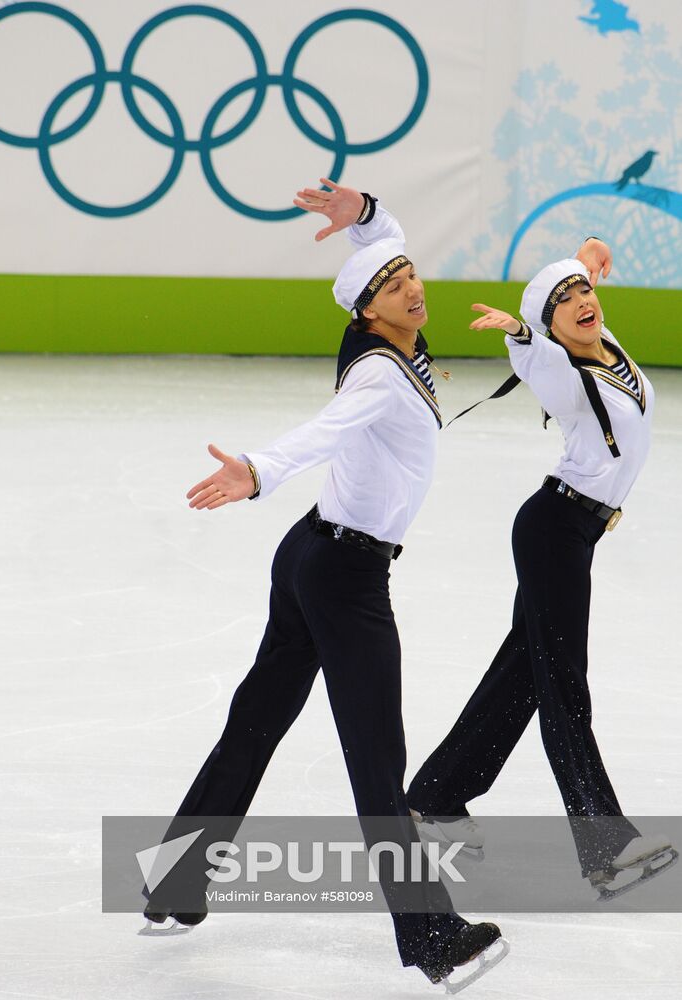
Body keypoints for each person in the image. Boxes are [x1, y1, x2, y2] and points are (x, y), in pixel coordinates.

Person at [142, 179, 509, 988]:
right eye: (390, 286)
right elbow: (325, 430)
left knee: (256, 720)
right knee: (377, 763)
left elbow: (389, 246)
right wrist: (259, 469)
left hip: (311, 552)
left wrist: (369, 220)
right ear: (366, 312)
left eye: (409, 275)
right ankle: (430, 935)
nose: (411, 289)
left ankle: (176, 880)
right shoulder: (378, 372)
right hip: (343, 575)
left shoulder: (386, 333)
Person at [407, 251, 677, 897]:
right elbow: (538, 358)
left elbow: (578, 279)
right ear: (547, 323)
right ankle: (603, 845)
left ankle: (434, 798)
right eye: (564, 300)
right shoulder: (555, 364)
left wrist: (583, 256)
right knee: (561, 683)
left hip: (578, 531)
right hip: (552, 529)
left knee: (524, 673)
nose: (582, 301)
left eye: (584, 291)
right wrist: (520, 332)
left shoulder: (602, 342)